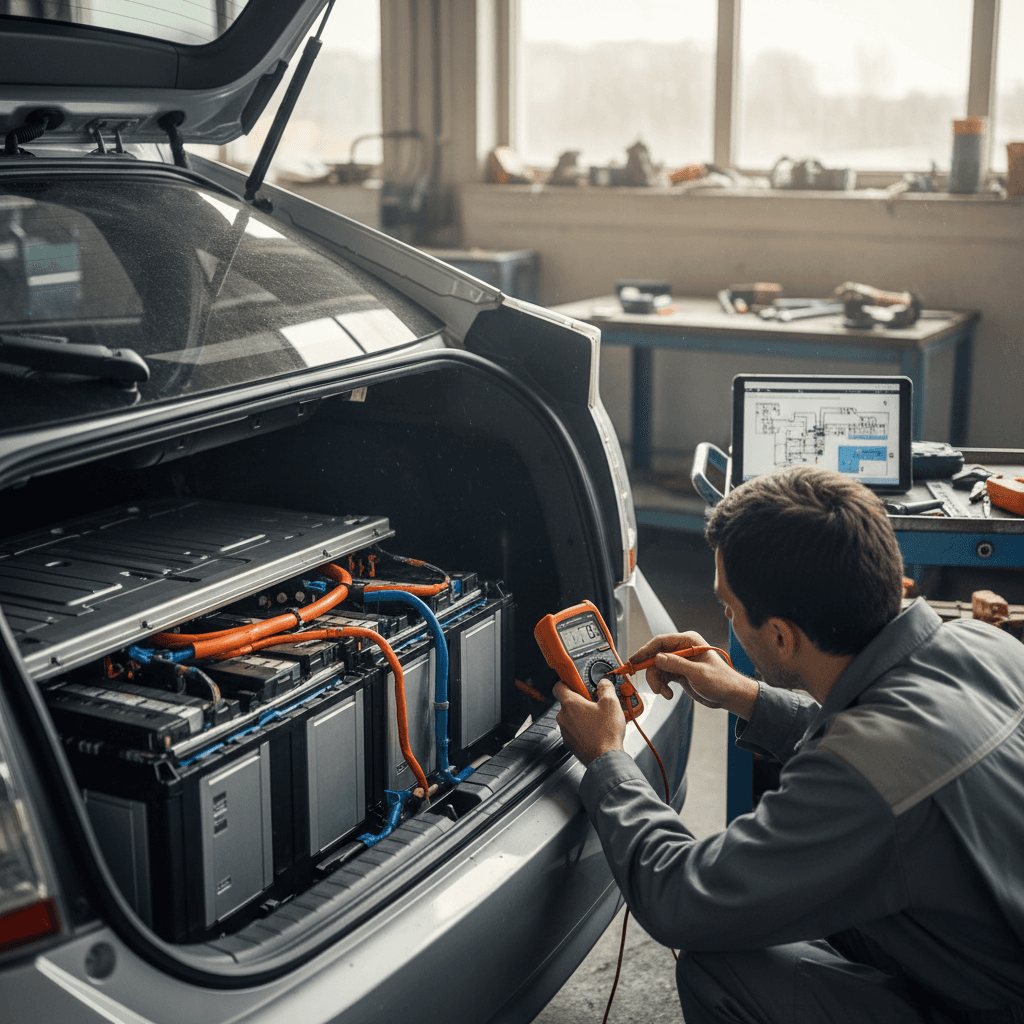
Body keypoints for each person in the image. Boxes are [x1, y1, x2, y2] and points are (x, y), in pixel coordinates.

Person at [554, 466, 1024, 1024]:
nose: (725, 617)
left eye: (727, 607)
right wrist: (748, 695)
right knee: (805, 899)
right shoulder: (986, 645)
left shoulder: (864, 776)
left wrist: (609, 761)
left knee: (720, 964)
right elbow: (887, 746)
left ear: (779, 635)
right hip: (990, 949)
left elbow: (683, 896)